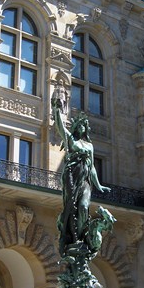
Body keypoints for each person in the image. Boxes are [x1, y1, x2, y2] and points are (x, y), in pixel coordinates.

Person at [51, 98, 110, 258]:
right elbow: (60, 127)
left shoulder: (89, 146)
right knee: (71, 207)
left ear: (85, 129)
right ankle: (72, 237)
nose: (81, 127)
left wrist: (98, 185)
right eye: (79, 125)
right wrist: (56, 111)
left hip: (84, 179)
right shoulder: (70, 139)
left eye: (83, 125)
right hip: (71, 177)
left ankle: (82, 235)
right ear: (76, 127)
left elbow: (92, 167)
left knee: (83, 206)